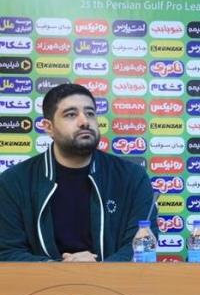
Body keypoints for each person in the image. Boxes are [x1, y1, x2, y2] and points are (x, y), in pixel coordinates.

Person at [0, 83, 157, 262]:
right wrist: (60, 269)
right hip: (43, 280)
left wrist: (97, 270)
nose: (84, 121)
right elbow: (7, 251)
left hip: (114, 279)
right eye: (71, 114)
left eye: (90, 113)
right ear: (48, 127)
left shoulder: (132, 177)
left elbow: (139, 246)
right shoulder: (14, 181)